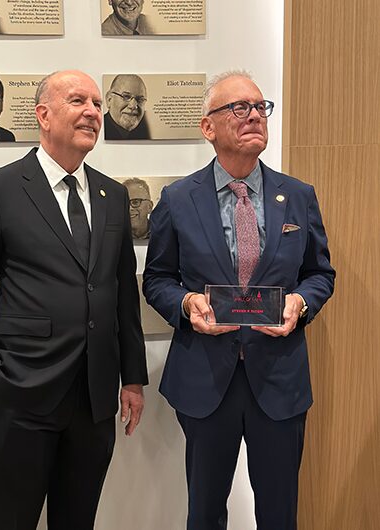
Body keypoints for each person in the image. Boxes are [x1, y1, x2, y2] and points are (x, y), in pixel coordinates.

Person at [0, 70, 148, 530]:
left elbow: (123, 297)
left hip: (95, 398)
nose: (93, 113)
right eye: (78, 100)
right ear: (43, 114)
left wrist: (133, 379)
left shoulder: (113, 195)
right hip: (22, 394)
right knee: (10, 520)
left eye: (98, 104)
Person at [143, 71, 335, 530]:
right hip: (206, 381)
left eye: (260, 106)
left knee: (278, 513)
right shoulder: (177, 198)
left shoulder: (299, 196)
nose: (254, 116)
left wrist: (300, 304)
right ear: (207, 127)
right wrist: (187, 304)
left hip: (279, 380)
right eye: (239, 108)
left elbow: (319, 274)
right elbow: (157, 280)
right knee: (205, 512)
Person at [104, 74, 150, 140]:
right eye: (126, 97)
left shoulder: (146, 130)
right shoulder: (100, 129)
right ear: (109, 99)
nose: (133, 106)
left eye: (140, 99)